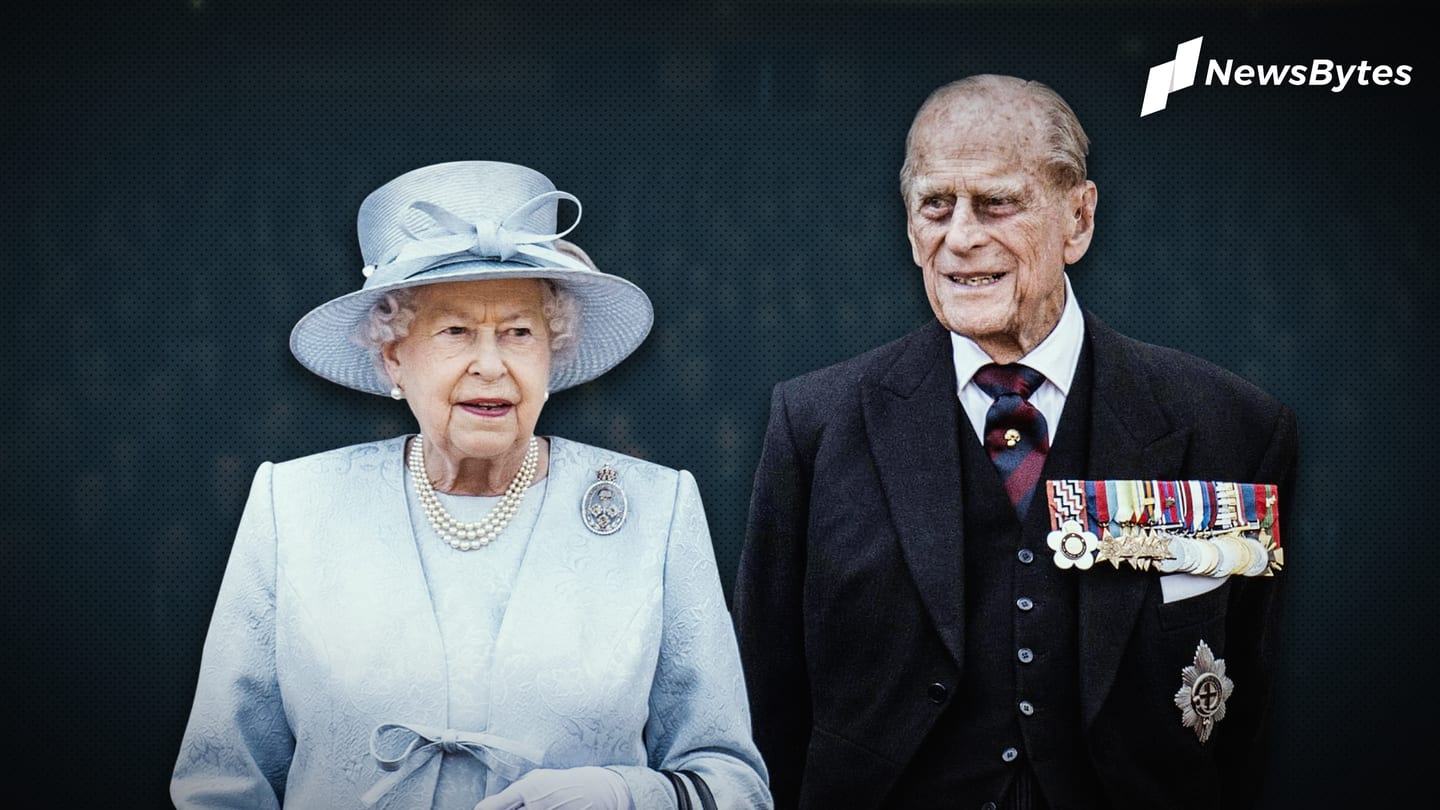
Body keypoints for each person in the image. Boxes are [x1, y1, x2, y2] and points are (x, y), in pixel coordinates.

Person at [732, 75, 1298, 809]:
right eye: (935, 205)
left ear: (1078, 220)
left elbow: (1241, 716)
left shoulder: (1234, 429)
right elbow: (761, 704)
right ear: (909, 228)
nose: (960, 236)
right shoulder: (812, 426)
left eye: (997, 202)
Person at [171, 160, 772, 810]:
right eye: (455, 331)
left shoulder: (657, 512)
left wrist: (628, 797)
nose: (491, 365)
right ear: (393, 354)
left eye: (518, 332)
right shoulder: (293, 507)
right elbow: (219, 784)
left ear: (554, 351)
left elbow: (736, 787)